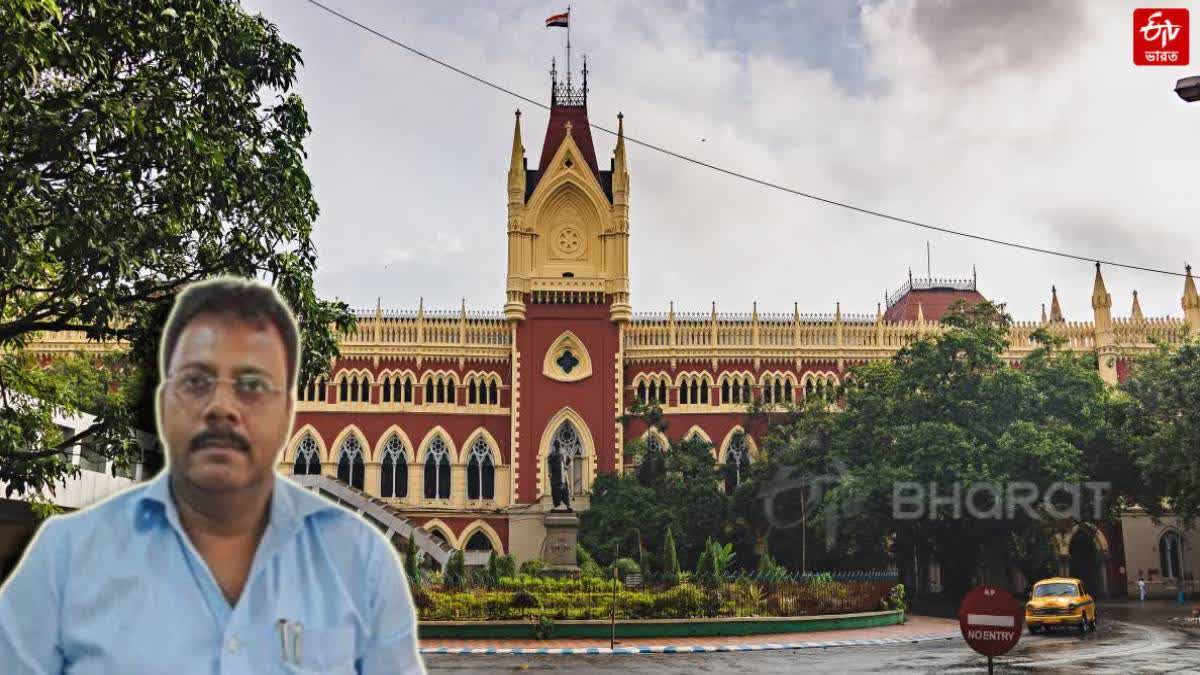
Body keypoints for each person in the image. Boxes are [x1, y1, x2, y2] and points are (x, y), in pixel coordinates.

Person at [0, 278, 425, 674]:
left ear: (287, 411)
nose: (222, 407)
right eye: (196, 381)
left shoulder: (363, 567)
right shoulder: (63, 560)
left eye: (252, 385)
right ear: (163, 402)